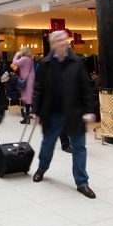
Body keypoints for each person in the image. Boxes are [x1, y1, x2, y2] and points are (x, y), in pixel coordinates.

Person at [31, 30, 97, 199]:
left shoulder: (76, 62)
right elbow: (38, 89)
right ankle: (42, 168)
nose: (62, 42)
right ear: (53, 44)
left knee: (79, 147)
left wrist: (89, 110)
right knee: (48, 144)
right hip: (52, 112)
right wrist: (35, 109)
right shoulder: (45, 64)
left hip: (74, 112)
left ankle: (82, 182)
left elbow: (86, 88)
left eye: (64, 40)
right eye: (59, 40)